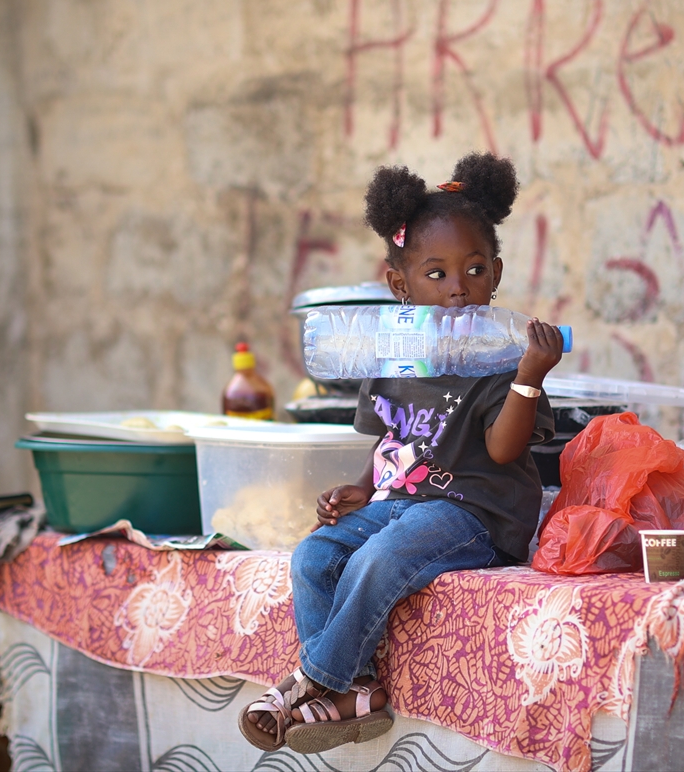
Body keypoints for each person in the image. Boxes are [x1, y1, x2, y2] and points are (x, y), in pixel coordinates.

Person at [239, 152, 565, 754]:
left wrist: (530, 376)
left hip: (473, 515)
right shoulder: (396, 355)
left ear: (495, 273)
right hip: (400, 499)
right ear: (400, 284)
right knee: (314, 554)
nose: (457, 288)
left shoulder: (501, 358)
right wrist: (364, 486)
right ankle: (355, 692)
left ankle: (312, 679)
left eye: (473, 269)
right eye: (435, 273)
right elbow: (393, 435)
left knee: (377, 558)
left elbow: (503, 449)